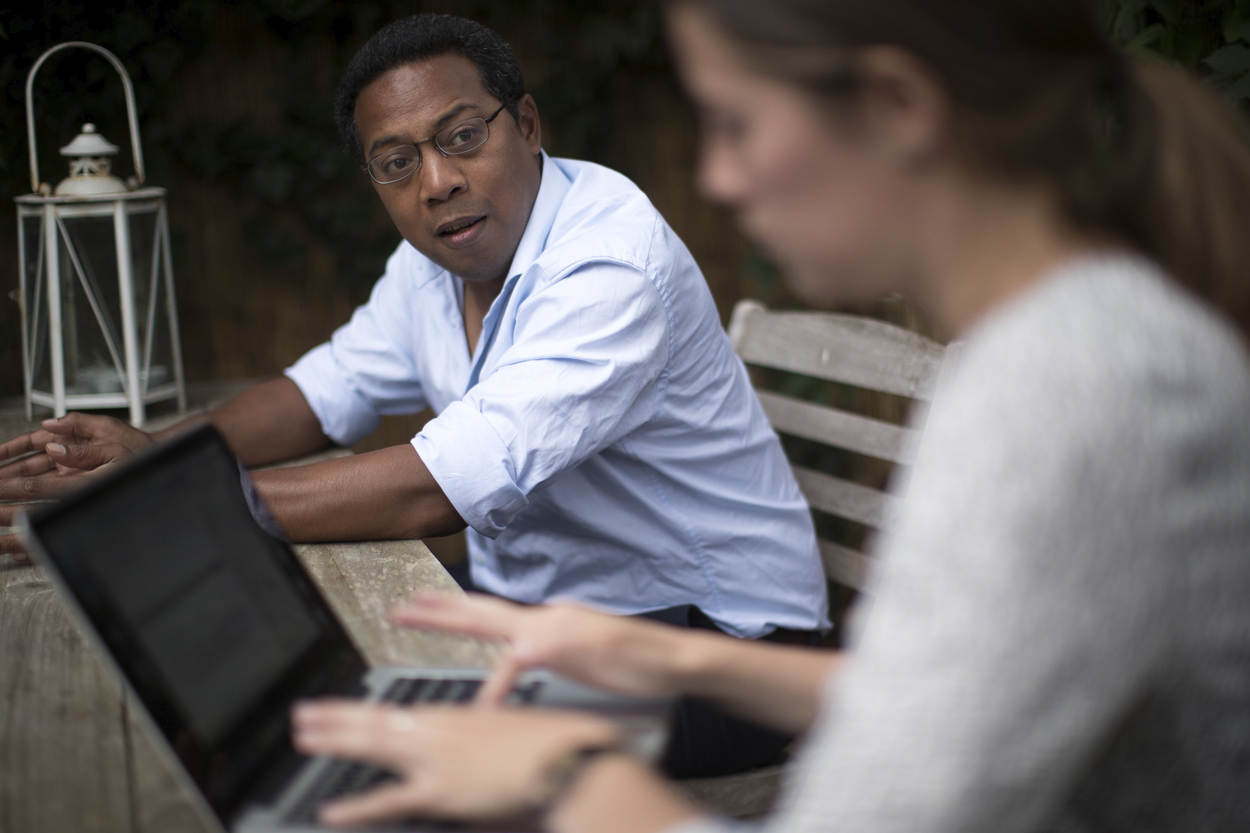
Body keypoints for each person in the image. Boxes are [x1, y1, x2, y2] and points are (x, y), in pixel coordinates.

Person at [287, 1, 1250, 831]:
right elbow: (950, 695)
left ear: (897, 107)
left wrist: (563, 771)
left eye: (736, 125)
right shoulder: (1066, 347)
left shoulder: (1068, 397)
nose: (717, 179)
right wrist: (657, 652)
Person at [0, 12, 830, 778]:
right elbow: (320, 393)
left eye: (463, 136)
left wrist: (157, 505)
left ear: (527, 125)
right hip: (548, 617)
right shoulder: (437, 263)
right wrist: (155, 452)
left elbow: (435, 490)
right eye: (397, 162)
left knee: (351, 742)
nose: (437, 181)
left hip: (722, 653)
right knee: (261, 674)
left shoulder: (608, 264)